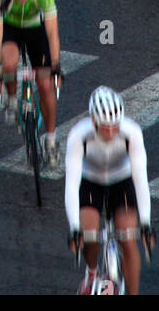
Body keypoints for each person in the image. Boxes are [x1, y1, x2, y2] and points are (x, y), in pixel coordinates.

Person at [64, 86, 154, 296]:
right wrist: (74, 228)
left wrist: (146, 223)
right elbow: (71, 184)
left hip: (122, 179)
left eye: (115, 126)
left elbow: (141, 180)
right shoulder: (78, 135)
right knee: (89, 232)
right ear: (93, 121)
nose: (111, 132)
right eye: (105, 127)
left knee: (128, 239)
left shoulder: (131, 132)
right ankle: (92, 272)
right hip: (90, 180)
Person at [0, 0, 61, 167]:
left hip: (35, 31)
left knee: (46, 86)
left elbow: (52, 33)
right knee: (9, 62)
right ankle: (12, 100)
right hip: (11, 30)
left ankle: (50, 140)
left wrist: (56, 66)